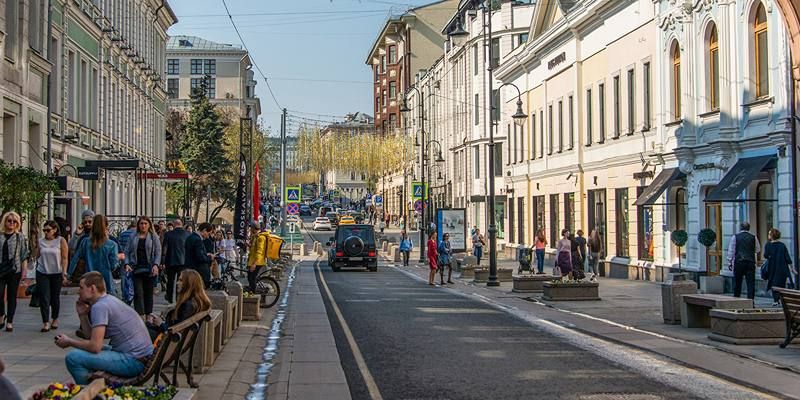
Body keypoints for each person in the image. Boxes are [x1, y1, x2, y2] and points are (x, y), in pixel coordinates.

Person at [56, 272, 153, 385]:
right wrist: (82, 315)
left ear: (92, 288)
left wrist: (69, 341)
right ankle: (93, 386)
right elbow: (91, 338)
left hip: (133, 362)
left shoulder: (100, 307)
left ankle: (88, 392)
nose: (79, 291)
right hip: (140, 357)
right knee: (85, 351)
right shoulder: (107, 300)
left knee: (73, 358)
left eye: (81, 288)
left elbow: (94, 347)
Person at [146, 269, 211, 341]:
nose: (177, 283)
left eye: (180, 280)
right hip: (171, 341)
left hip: (167, 341)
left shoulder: (187, 306)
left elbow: (172, 332)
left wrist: (160, 323)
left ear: (189, 284)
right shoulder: (195, 302)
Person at [68, 215, 119, 296]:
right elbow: (113, 266)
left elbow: (75, 259)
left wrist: (68, 275)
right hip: (105, 281)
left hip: (89, 279)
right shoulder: (112, 244)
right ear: (106, 226)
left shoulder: (85, 242)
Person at [123, 217, 162, 319]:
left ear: (149, 225)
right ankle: (140, 316)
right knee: (138, 293)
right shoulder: (133, 236)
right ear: (138, 225)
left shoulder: (154, 237)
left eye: (145, 223)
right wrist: (126, 263)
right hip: (136, 268)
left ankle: (149, 315)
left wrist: (156, 265)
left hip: (149, 268)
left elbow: (158, 252)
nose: (143, 226)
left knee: (148, 293)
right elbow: (126, 251)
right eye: (141, 223)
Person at [35, 220, 69, 332]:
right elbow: (37, 255)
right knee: (44, 297)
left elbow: (64, 258)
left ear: (55, 230)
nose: (46, 232)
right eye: (44, 230)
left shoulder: (60, 240)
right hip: (42, 272)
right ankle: (45, 322)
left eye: (48, 230)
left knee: (55, 297)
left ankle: (55, 319)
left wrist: (64, 272)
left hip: (56, 273)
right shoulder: (40, 241)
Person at [0, 212, 30, 332]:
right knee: (0, 294)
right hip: (1, 268)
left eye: (14, 221)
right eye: (9, 221)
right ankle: (2, 315)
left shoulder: (20, 237)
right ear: (5, 222)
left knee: (12, 296)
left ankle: (10, 321)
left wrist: (24, 271)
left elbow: (23, 255)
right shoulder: (0, 235)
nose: (11, 223)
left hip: (14, 270)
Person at [727, 222, 761, 299]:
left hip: (739, 262)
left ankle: (736, 299)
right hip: (750, 262)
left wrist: (729, 262)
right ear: (749, 228)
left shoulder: (735, 237)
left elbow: (731, 251)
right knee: (750, 283)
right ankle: (751, 301)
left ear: (740, 228)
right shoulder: (753, 237)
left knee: (737, 282)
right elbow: (758, 249)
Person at [764, 228, 794, 306]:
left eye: (769, 234)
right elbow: (787, 258)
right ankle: (780, 299)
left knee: (773, 284)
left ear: (771, 236)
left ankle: (776, 300)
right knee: (781, 284)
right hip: (782, 268)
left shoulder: (768, 245)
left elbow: (765, 255)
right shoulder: (782, 245)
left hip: (772, 267)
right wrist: (792, 268)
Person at [162, 219, 189, 303]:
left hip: (170, 261)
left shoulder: (168, 234)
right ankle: (178, 298)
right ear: (181, 224)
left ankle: (170, 298)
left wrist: (162, 261)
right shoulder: (187, 234)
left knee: (170, 281)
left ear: (174, 225)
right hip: (183, 261)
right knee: (180, 281)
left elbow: (164, 249)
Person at [67, 210, 95, 281]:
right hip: (80, 269)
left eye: (89, 222)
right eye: (85, 222)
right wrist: (76, 235)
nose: (87, 224)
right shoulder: (80, 234)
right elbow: (71, 248)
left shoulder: (96, 233)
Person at [185, 223, 214, 288]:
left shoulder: (190, 237)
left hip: (190, 269)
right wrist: (209, 257)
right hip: (198, 272)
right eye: (208, 233)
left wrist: (205, 255)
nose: (208, 236)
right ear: (204, 230)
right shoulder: (198, 240)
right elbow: (200, 257)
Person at [246, 223, 268, 293]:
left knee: (252, 278)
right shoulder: (256, 236)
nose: (250, 229)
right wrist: (249, 245)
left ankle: (253, 294)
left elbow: (259, 251)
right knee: (249, 277)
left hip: (257, 262)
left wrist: (254, 264)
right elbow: (253, 249)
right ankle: (251, 291)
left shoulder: (260, 238)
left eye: (251, 228)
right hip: (252, 260)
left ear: (253, 228)